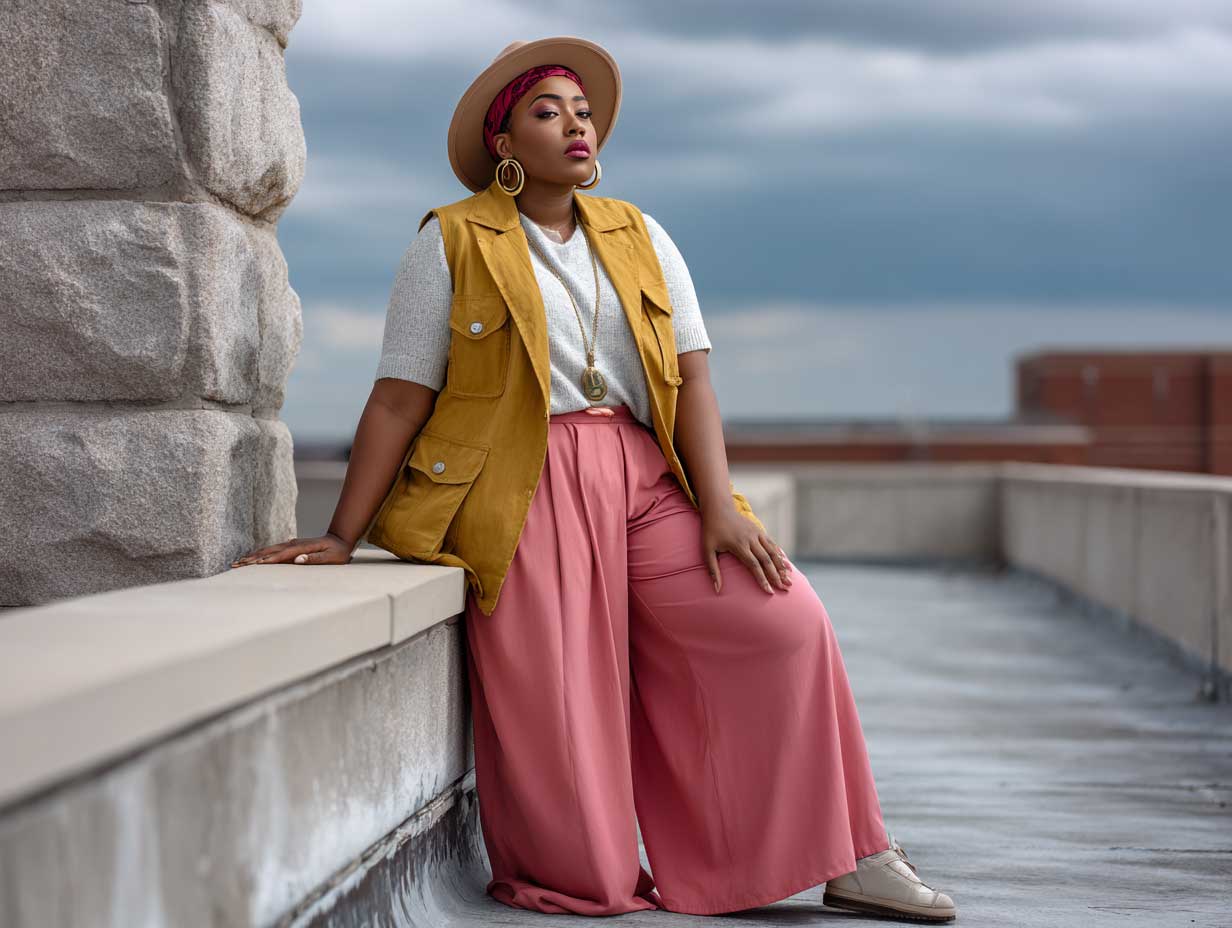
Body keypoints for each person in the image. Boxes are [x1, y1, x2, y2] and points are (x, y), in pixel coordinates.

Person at [231, 35, 957, 922]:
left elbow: (691, 376)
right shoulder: (451, 242)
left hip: (644, 473)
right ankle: (588, 873)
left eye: (582, 112)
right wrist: (343, 535)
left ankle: (851, 852)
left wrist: (721, 506)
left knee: (784, 621)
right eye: (548, 112)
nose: (575, 126)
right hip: (518, 483)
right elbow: (397, 399)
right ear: (504, 145)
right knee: (563, 701)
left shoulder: (641, 234)